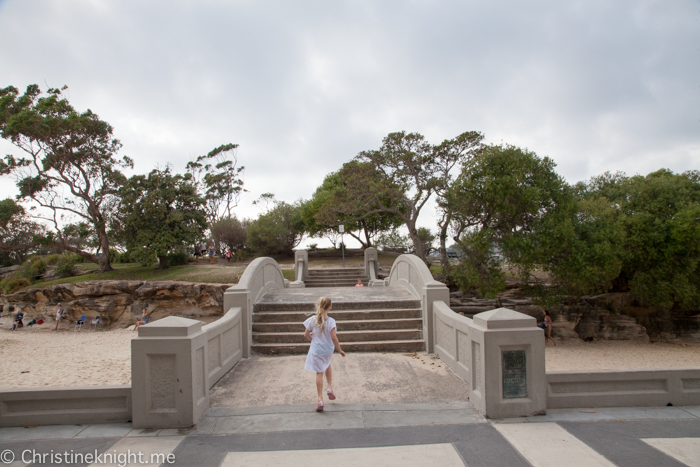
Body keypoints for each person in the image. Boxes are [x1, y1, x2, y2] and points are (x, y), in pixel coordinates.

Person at [303, 297, 346, 412]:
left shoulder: (313, 319)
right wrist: (340, 350)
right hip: (327, 349)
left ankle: (320, 399)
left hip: (317, 350)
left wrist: (314, 339)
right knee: (327, 364)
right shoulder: (331, 321)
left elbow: (306, 334)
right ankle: (329, 387)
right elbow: (334, 337)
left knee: (319, 373)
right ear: (330, 307)